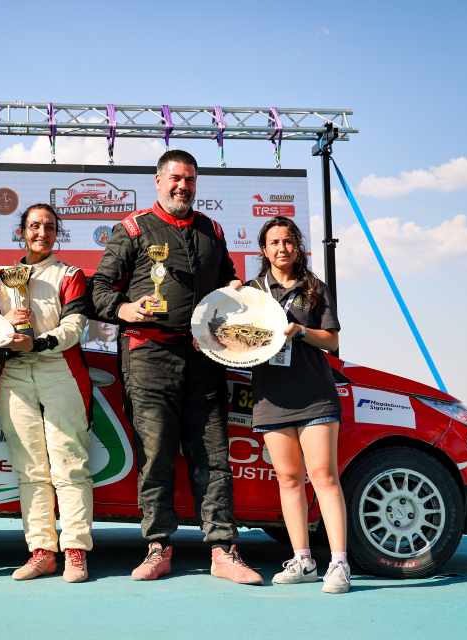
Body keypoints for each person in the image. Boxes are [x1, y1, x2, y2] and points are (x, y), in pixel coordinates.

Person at [90, 149, 264, 585]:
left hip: (206, 358)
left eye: (189, 179)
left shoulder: (212, 230)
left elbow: (226, 280)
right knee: (155, 457)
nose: (182, 186)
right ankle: (157, 546)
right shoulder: (132, 229)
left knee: (214, 456)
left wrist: (234, 289)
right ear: (158, 181)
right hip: (149, 357)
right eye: (175, 178)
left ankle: (223, 549)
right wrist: (125, 309)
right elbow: (98, 290)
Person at [246, 216, 350, 594]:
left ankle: (339, 563)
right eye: (274, 242)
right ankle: (302, 560)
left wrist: (302, 331)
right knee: (289, 480)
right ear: (264, 249)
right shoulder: (252, 291)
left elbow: (332, 342)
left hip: (314, 395)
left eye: (288, 241)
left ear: (298, 246)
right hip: (271, 397)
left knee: (323, 476)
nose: (282, 248)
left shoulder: (313, 287)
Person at [0, 204, 94, 583]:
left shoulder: (70, 275)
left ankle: (75, 550)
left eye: (49, 227)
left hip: (60, 370)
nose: (42, 232)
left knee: (69, 463)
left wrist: (36, 343)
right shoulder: (1, 279)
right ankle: (41, 552)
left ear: (57, 233)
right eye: (34, 226)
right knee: (30, 469)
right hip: (15, 374)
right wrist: (4, 325)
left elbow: (74, 326)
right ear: (21, 231)